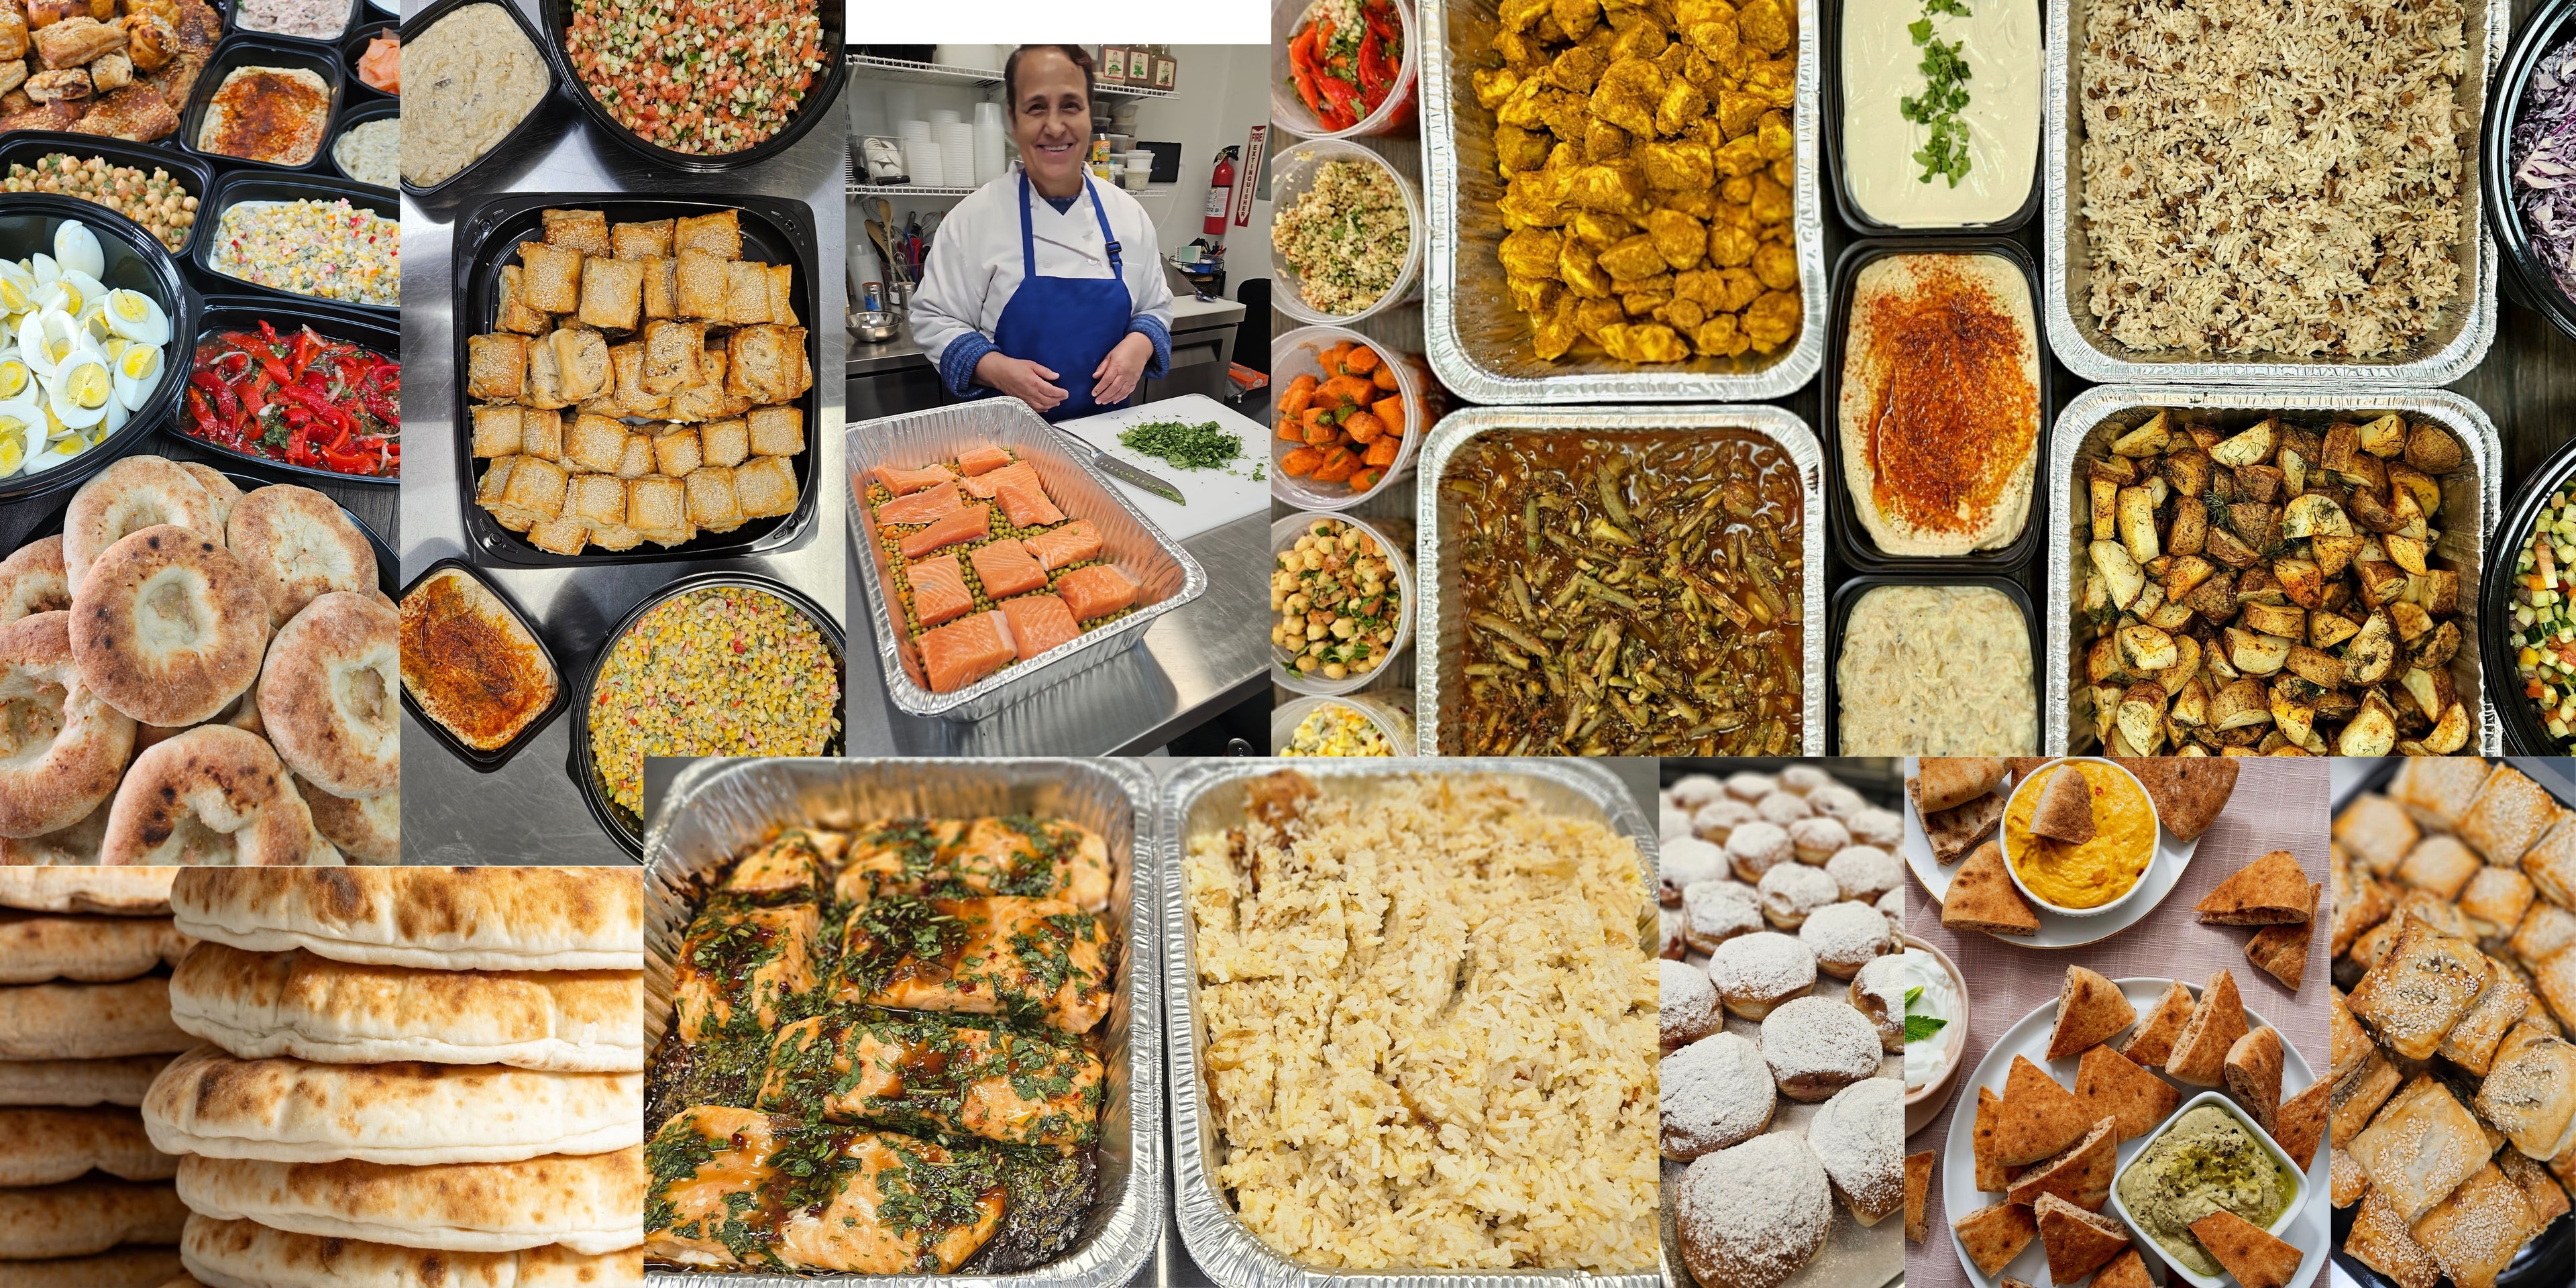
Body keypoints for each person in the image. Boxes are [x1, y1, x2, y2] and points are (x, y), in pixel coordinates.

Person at [909, 44, 1174, 422]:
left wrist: (1141, 342)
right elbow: (933, 318)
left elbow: (1155, 306)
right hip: (1004, 443)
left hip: (1108, 432)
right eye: (1036, 107)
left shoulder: (1128, 214)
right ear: (1013, 121)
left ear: (1088, 115)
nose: (1054, 126)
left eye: (1070, 105)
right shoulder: (974, 218)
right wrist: (996, 369)